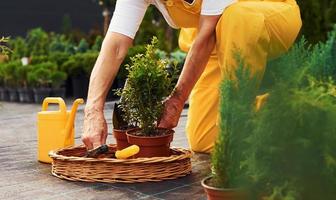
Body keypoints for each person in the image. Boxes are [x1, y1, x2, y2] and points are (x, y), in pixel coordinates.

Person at [82, 0, 302, 153]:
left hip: (267, 15)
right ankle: (287, 108)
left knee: (236, 18)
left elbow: (205, 36)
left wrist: (176, 101)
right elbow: (116, 45)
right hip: (216, 38)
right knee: (204, 139)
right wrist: (92, 109)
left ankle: (237, 138)